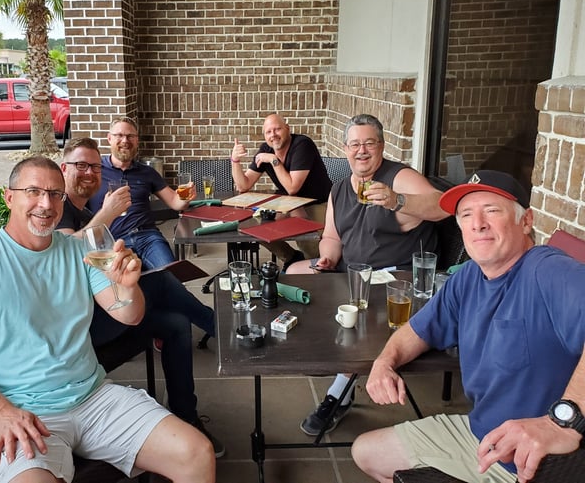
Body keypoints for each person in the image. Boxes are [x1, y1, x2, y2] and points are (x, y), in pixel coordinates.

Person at [0, 156, 215, 483]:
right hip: (22, 411)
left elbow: (130, 314)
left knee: (196, 454)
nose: (46, 203)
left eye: (55, 194)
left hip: (93, 398)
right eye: (33, 191)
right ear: (9, 197)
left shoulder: (78, 251)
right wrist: (1, 412)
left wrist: (128, 286)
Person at [352, 170, 585, 483]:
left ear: (526, 221)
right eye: (466, 214)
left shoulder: (546, 269)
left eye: (492, 210)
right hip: (482, 435)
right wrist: (385, 362)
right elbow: (418, 330)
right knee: (367, 452)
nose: (478, 224)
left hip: (540, 464)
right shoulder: (469, 276)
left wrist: (562, 422)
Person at [56, 137, 224, 457]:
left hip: (106, 308)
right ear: (64, 168)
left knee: (176, 323)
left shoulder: (83, 212)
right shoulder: (59, 207)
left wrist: (126, 264)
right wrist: (107, 213)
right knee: (161, 282)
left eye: (94, 167)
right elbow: (65, 254)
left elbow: (100, 265)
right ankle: (221, 330)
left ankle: (186, 415)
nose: (90, 172)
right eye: (81, 165)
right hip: (80, 327)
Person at [287, 113, 448, 436]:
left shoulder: (398, 177)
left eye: (369, 143)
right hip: (351, 271)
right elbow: (331, 237)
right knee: (293, 273)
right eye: (355, 144)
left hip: (393, 280)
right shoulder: (340, 189)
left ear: (382, 146)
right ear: (345, 149)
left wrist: (397, 200)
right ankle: (325, 351)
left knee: (358, 307)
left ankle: (338, 394)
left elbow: (443, 205)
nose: (361, 151)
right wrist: (327, 259)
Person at [87, 116, 194, 270]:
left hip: (148, 238)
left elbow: (174, 202)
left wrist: (185, 197)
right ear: (109, 138)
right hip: (113, 241)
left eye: (130, 136)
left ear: (137, 141)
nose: (125, 140)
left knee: (172, 275)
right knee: (123, 281)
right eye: (119, 135)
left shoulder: (147, 172)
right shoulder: (95, 171)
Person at [230, 113, 331, 268]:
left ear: (287, 129)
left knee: (308, 243)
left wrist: (273, 160)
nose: (273, 135)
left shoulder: (302, 145)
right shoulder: (266, 149)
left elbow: (292, 188)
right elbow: (243, 185)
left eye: (277, 129)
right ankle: (291, 258)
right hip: (290, 202)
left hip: (318, 201)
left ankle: (317, 270)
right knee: (256, 228)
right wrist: (235, 160)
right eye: (268, 132)